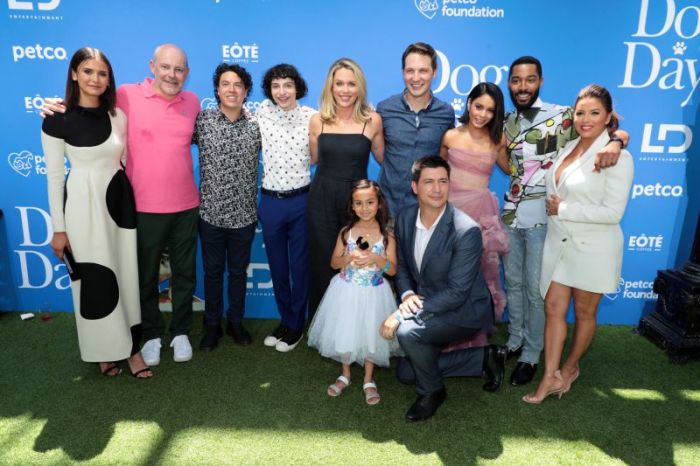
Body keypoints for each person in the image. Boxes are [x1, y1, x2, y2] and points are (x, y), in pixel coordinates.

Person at [42, 44, 201, 366]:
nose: (172, 75)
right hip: (140, 206)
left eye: (180, 69)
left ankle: (181, 331)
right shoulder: (126, 96)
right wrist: (52, 106)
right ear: (152, 66)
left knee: (184, 273)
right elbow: (87, 108)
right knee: (143, 277)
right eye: (166, 67)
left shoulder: (194, 102)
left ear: (187, 73)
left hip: (186, 204)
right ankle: (153, 335)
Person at [501, 56, 628, 386]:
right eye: (516, 80)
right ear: (509, 83)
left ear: (540, 81)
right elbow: (505, 159)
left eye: (530, 79)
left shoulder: (562, 116)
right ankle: (515, 341)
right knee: (514, 284)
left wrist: (617, 140)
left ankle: (531, 354)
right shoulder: (505, 121)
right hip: (512, 214)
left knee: (535, 290)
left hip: (546, 218)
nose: (523, 86)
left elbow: (608, 124)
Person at [41, 47, 152, 378]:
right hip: (82, 206)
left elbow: (121, 160)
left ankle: (132, 350)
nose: (95, 79)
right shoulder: (56, 119)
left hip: (119, 205)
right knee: (93, 280)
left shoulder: (118, 116)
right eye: (87, 71)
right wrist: (60, 230)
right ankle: (103, 351)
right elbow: (54, 178)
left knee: (126, 276)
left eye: (102, 73)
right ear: (74, 74)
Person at [380, 156, 494, 422]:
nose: (437, 189)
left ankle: (432, 392)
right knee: (405, 373)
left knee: (407, 331)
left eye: (443, 181)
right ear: (414, 187)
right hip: (429, 301)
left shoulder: (466, 230)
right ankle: (483, 358)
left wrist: (401, 314)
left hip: (465, 311)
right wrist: (407, 295)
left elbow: (457, 293)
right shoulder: (406, 217)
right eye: (429, 182)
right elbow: (405, 267)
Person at [308, 180, 400, 405]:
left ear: (379, 204)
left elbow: (393, 269)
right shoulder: (346, 232)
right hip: (345, 292)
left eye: (370, 202)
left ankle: (369, 379)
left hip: (374, 294)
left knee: (370, 334)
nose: (365, 207)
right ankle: (346, 373)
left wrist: (377, 259)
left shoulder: (387, 235)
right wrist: (349, 257)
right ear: (352, 206)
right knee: (346, 331)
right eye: (359, 203)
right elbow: (333, 263)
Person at [307, 58, 384, 318]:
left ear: (360, 87)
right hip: (322, 199)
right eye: (339, 83)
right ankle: (323, 321)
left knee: (357, 260)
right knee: (321, 261)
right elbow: (312, 159)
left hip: (358, 202)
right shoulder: (317, 120)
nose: (345, 90)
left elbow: (385, 158)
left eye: (351, 84)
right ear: (330, 86)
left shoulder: (372, 120)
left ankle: (355, 322)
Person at [195, 64, 261, 351]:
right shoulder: (203, 121)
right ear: (217, 90)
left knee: (237, 273)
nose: (231, 89)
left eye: (238, 84)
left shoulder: (257, 126)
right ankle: (212, 326)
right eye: (225, 83)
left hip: (244, 217)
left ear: (246, 91)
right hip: (209, 215)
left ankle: (235, 322)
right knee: (211, 274)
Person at [439, 82, 509, 349]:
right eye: (479, 106)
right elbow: (438, 173)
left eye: (490, 110)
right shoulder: (450, 136)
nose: (482, 114)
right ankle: (446, 332)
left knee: (480, 275)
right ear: (469, 104)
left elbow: (513, 169)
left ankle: (475, 334)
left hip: (481, 214)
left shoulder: (498, 140)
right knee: (448, 274)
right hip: (450, 211)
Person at [257, 64, 316, 353]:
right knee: (278, 267)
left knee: (300, 267)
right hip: (269, 202)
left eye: (288, 85)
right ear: (269, 89)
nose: (282, 92)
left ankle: (296, 325)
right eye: (276, 86)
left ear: (298, 88)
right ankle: (285, 319)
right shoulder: (260, 113)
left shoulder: (311, 117)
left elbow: (317, 155)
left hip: (301, 201)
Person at [377, 42, 455, 218]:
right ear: (403, 72)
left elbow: (444, 158)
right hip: (388, 208)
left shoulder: (446, 113)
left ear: (434, 73)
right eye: (410, 71)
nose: (416, 77)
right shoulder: (385, 109)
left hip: (426, 211)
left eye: (423, 71)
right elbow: (380, 153)